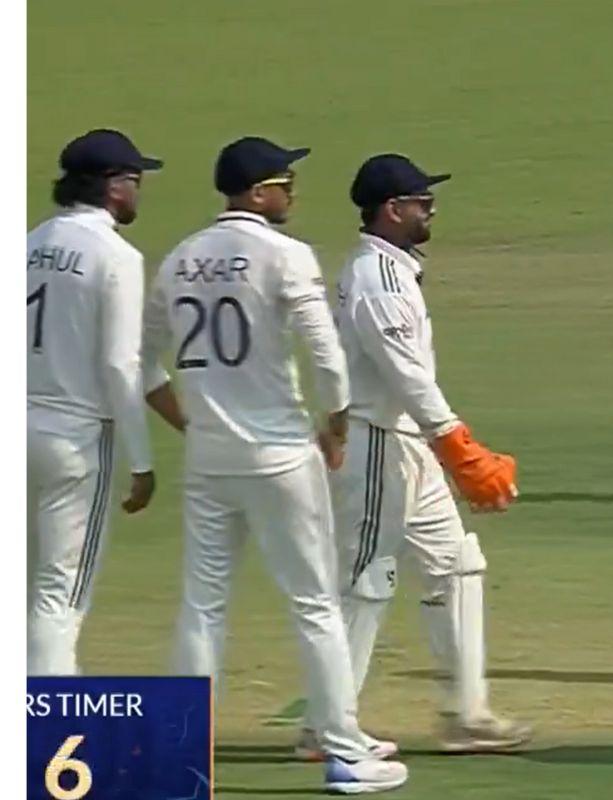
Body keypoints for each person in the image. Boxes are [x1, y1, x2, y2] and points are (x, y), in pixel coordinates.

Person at [141, 136, 408, 794]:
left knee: (202, 606)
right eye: (284, 183)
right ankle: (344, 754)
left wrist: (193, 424)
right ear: (258, 193)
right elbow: (323, 351)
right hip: (281, 453)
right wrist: (337, 423)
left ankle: (177, 755)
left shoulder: (179, 259)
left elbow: (140, 366)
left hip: (211, 459)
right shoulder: (285, 255)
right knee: (315, 605)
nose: (292, 193)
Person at [294, 153, 530, 759]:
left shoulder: (394, 269)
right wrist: (459, 446)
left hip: (405, 442)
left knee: (456, 565)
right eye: (422, 201)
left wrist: (444, 446)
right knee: (366, 580)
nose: (431, 209)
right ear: (392, 210)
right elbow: (405, 375)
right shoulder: (378, 278)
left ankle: (466, 715)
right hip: (377, 441)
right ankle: (326, 725)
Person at [27, 129, 165, 675]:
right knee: (61, 596)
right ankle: (49, 731)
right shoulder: (116, 255)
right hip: (75, 438)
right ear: (112, 186)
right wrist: (143, 460)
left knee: (22, 590)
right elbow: (119, 364)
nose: (138, 192)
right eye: (134, 180)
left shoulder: (25, 244)